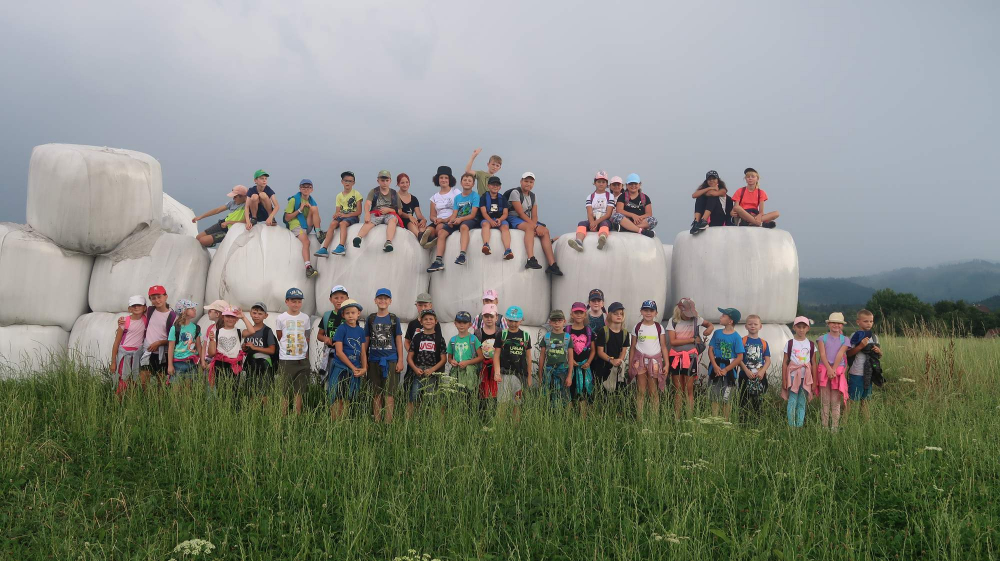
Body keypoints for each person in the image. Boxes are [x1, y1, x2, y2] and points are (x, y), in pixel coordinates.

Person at [666, 298, 714, 420]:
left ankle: (689, 418)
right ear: (680, 310)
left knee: (689, 389)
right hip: (676, 357)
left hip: (691, 357)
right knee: (678, 389)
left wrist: (709, 329)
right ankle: (677, 418)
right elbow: (673, 342)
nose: (689, 316)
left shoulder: (697, 319)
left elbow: (709, 324)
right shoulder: (673, 321)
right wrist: (692, 340)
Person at [508, 172, 563, 275]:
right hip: (514, 218)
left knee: (545, 231)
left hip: (528, 219)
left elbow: (534, 215)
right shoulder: (515, 193)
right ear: (521, 181)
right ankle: (530, 259)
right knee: (529, 228)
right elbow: (520, 213)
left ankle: (552, 265)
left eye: (531, 182)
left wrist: (536, 226)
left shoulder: (533, 196)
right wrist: (534, 226)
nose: (528, 184)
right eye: (526, 181)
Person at [365, 288, 404, 423]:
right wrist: (364, 361)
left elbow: (398, 340)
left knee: (389, 394)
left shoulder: (394, 319)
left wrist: (400, 360)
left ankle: (388, 423)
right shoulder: (370, 319)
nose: (382, 301)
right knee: (376, 393)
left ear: (390, 301)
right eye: (380, 298)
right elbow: (367, 340)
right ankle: (377, 421)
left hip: (390, 360)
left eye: (385, 299)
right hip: (374, 360)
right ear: (375, 301)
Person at [428, 171, 480, 272]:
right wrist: (450, 221)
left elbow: (473, 214)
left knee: (464, 227)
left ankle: (462, 255)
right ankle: (438, 260)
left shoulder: (475, 196)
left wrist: (460, 219)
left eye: (470, 181)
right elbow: (454, 214)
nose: (467, 182)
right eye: (465, 180)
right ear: (461, 183)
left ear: (473, 184)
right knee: (441, 232)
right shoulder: (457, 197)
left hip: (470, 219)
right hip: (458, 219)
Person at [327, 298, 366, 420]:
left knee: (348, 396)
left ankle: (343, 422)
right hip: (342, 368)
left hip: (355, 370)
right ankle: (334, 422)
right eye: (347, 313)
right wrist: (353, 367)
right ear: (343, 315)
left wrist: (364, 368)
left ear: (358, 313)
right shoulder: (342, 329)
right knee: (337, 396)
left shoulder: (360, 331)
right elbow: (339, 352)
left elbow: (363, 352)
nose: (350, 315)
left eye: (353, 312)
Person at [276, 288, 312, 415]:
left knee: (300, 390)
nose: (296, 304)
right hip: (286, 359)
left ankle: (297, 416)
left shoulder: (305, 317)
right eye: (293, 301)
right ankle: (283, 416)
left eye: (299, 302)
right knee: (284, 390)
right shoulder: (281, 318)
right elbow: (280, 336)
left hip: (302, 359)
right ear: (287, 301)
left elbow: (307, 335)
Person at [630, 300, 668, 419]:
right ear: (641, 311)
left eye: (651, 310)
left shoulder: (659, 327)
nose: (648, 313)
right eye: (646, 310)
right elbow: (633, 347)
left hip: (655, 363)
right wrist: (631, 363)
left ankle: (654, 419)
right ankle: (640, 419)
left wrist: (667, 364)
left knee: (653, 391)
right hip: (640, 363)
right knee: (641, 391)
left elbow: (663, 346)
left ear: (656, 313)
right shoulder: (637, 327)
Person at [406, 309, 448, 415]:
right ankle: (409, 423)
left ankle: (436, 423)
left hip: (433, 373)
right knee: (413, 397)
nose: (428, 321)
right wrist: (415, 369)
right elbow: (409, 357)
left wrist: (432, 369)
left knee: (434, 399)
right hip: (418, 371)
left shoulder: (439, 338)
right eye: (425, 319)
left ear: (436, 321)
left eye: (431, 319)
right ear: (421, 322)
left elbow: (444, 359)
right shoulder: (417, 337)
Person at [844, 309, 882, 425]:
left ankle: (866, 424)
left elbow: (879, 357)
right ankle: (844, 423)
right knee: (852, 399)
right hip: (856, 373)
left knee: (865, 399)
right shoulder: (855, 336)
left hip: (869, 373)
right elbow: (849, 353)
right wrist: (861, 346)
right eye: (865, 321)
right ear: (858, 322)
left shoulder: (874, 337)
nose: (869, 324)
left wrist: (878, 351)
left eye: (871, 321)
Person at [493, 305, 532, 418]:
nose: (513, 323)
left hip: (520, 375)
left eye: (516, 321)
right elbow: (496, 354)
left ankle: (516, 430)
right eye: (511, 320)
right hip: (505, 374)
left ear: (521, 320)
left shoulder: (525, 336)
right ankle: (500, 429)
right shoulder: (502, 334)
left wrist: (529, 376)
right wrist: (497, 372)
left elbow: (528, 357)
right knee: (502, 403)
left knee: (517, 404)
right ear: (506, 319)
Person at [707, 307, 746, 421]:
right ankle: (714, 420)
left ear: (730, 321)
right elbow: (710, 350)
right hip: (716, 368)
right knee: (714, 396)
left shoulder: (736, 337)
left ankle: (725, 421)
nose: (720, 317)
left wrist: (726, 369)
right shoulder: (717, 333)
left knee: (726, 397)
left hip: (729, 372)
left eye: (723, 316)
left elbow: (740, 357)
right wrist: (714, 365)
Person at [315, 172, 364, 257]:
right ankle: (324, 248)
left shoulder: (356, 194)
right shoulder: (339, 196)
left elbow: (359, 211)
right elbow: (337, 211)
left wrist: (346, 216)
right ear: (342, 182)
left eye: (350, 181)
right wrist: (336, 215)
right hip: (342, 215)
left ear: (353, 183)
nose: (347, 183)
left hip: (352, 216)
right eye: (346, 181)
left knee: (342, 224)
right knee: (333, 223)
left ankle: (341, 246)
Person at [353, 170, 402, 252]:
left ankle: (388, 241)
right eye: (382, 180)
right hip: (376, 213)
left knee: (393, 220)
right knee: (370, 221)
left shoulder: (394, 193)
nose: (385, 183)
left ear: (390, 181)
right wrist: (367, 213)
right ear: (378, 181)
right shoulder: (374, 191)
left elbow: (400, 211)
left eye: (387, 180)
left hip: (390, 214)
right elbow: (367, 204)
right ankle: (358, 237)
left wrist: (389, 210)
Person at [816, 312, 850, 432]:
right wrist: (829, 369)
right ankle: (824, 426)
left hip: (837, 371)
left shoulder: (845, 340)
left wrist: (833, 369)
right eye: (834, 323)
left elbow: (841, 354)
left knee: (835, 401)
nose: (836, 325)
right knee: (825, 401)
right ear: (829, 324)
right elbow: (822, 354)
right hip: (824, 370)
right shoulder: (822, 338)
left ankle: (834, 427)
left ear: (842, 325)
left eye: (839, 323)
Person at [782, 316, 817, 428]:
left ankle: (799, 425)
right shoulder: (790, 343)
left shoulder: (811, 345)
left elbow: (813, 363)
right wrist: (784, 379)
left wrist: (815, 381)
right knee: (792, 401)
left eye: (804, 327)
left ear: (808, 328)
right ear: (794, 328)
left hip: (806, 377)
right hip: (793, 376)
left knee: (802, 402)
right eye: (799, 327)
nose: (801, 330)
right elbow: (785, 362)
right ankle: (791, 426)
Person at [569, 171, 616, 251]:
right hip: (593, 219)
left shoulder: (610, 196)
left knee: (604, 224)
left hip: (604, 219)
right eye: (599, 182)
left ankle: (602, 238)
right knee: (582, 223)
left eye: (603, 182)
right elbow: (589, 212)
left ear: (606, 184)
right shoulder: (590, 197)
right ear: (595, 183)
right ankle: (579, 241)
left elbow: (608, 214)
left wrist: (596, 223)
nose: (601, 184)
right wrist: (592, 223)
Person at [138, 285, 175, 388]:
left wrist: (159, 343)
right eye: (153, 298)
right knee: (143, 381)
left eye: (159, 297)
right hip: (147, 352)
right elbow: (135, 314)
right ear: (150, 300)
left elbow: (173, 339)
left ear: (166, 296)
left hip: (162, 354)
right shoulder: (150, 311)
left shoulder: (172, 316)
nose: (157, 300)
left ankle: (159, 403)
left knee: (161, 383)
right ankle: (145, 402)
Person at [110, 295, 147, 396]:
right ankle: (117, 403)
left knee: (134, 380)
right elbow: (116, 342)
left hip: (137, 355)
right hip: (125, 355)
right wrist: (113, 361)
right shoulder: (124, 322)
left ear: (144, 308)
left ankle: (130, 402)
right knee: (124, 381)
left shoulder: (145, 320)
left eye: (139, 305)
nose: (136, 307)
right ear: (129, 308)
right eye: (133, 305)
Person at [283, 179, 321, 278]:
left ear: (312, 189)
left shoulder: (312, 201)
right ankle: (308, 268)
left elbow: (317, 218)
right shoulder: (294, 200)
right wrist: (300, 209)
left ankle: (318, 234)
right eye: (303, 187)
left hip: (305, 224)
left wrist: (310, 210)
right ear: (300, 188)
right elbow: (287, 218)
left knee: (314, 208)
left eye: (308, 187)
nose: (306, 189)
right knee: (306, 242)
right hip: (296, 224)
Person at [241, 302, 277, 401]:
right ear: (250, 313)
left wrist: (255, 347)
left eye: (260, 314)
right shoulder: (248, 331)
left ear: (266, 316)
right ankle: (253, 413)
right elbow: (247, 348)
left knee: (264, 391)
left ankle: (265, 413)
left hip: (264, 363)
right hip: (251, 363)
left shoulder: (267, 331)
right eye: (254, 313)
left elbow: (272, 350)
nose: (256, 316)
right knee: (250, 389)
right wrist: (245, 347)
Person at [207, 307, 249, 392]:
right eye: (227, 316)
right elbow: (211, 353)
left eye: (233, 317)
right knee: (221, 391)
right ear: (223, 317)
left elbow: (252, 331)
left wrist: (243, 317)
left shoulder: (238, 331)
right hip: (220, 364)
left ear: (236, 319)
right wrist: (211, 340)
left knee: (234, 391)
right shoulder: (217, 332)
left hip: (235, 364)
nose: (230, 319)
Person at [737, 314, 771, 419]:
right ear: (746, 326)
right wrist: (746, 370)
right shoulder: (742, 341)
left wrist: (762, 372)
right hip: (745, 375)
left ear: (760, 326)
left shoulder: (764, 343)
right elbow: (739, 358)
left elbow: (768, 360)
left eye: (755, 324)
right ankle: (743, 423)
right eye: (750, 324)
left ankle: (757, 422)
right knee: (743, 401)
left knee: (758, 402)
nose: (753, 326)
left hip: (760, 377)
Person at [593, 301, 630, 395]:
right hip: (604, 368)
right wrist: (611, 361)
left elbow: (624, 350)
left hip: (617, 369)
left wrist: (619, 361)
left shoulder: (625, 333)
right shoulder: (604, 331)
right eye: (615, 313)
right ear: (609, 315)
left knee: (619, 394)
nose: (619, 316)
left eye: (621, 314)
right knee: (603, 394)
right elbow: (600, 352)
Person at [567, 302, 596, 417]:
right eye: (576, 312)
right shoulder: (567, 330)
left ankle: (583, 419)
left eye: (581, 312)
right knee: (570, 390)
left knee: (584, 391)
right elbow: (564, 348)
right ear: (572, 314)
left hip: (584, 366)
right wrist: (570, 360)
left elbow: (593, 350)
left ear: (585, 315)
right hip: (570, 367)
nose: (578, 315)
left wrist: (588, 362)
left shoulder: (588, 332)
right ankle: (569, 418)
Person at [448, 311, 483, 401]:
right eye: (459, 322)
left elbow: (480, 357)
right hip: (457, 373)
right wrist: (452, 362)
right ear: (455, 324)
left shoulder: (473, 339)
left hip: (470, 372)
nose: (461, 325)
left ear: (470, 324)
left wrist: (467, 362)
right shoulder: (452, 340)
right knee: (457, 396)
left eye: (464, 323)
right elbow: (449, 358)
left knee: (470, 396)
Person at [166, 299, 202, 387]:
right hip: (178, 363)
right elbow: (171, 348)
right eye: (192, 308)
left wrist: (202, 361)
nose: (195, 310)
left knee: (188, 389)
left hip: (192, 363)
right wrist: (170, 365)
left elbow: (199, 346)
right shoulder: (175, 328)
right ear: (184, 311)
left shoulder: (196, 328)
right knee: (176, 389)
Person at [475, 303, 502, 417]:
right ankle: (482, 419)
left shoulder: (500, 332)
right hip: (482, 367)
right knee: (482, 395)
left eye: (491, 316)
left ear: (496, 317)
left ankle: (495, 419)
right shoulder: (478, 333)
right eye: (486, 316)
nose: (489, 319)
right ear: (482, 317)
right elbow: (475, 350)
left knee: (497, 395)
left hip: (497, 368)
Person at [538, 309, 570, 405]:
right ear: (550, 322)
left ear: (564, 322)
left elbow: (571, 358)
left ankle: (565, 418)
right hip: (548, 372)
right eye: (554, 321)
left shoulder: (567, 337)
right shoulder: (546, 337)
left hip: (563, 371)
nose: (557, 323)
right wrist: (540, 376)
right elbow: (542, 357)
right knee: (548, 395)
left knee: (564, 396)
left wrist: (569, 376)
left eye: (559, 321)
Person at [611, 173, 657, 238]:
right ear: (627, 185)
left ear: (639, 185)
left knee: (653, 220)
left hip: (640, 221)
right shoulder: (622, 196)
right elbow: (619, 210)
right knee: (616, 216)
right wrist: (633, 215)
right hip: (627, 220)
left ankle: (627, 228)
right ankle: (641, 231)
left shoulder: (645, 197)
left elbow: (649, 213)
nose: (633, 186)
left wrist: (639, 218)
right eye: (630, 184)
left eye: (635, 184)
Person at [478, 175, 514, 259]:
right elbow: (483, 212)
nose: (495, 186)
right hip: (487, 218)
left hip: (499, 218)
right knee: (485, 225)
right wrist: (490, 221)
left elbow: (505, 213)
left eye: (497, 185)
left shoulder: (503, 198)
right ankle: (486, 244)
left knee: (505, 227)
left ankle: (508, 249)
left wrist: (500, 219)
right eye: (493, 184)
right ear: (488, 186)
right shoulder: (483, 197)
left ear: (500, 187)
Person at [690, 170, 733, 235]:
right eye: (709, 179)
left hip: (719, 216)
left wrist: (705, 192)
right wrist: (709, 188)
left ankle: (703, 221)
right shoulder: (707, 189)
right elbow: (694, 195)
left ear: (718, 180)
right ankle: (696, 221)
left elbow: (713, 193)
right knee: (700, 197)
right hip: (710, 216)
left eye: (714, 179)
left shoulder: (722, 189)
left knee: (713, 197)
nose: (711, 180)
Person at [317, 285, 349, 369]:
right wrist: (325, 339)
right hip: (330, 353)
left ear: (347, 299)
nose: (339, 301)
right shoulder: (327, 315)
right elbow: (319, 335)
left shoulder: (350, 316)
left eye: (342, 298)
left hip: (346, 352)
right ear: (330, 300)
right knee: (329, 376)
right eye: (336, 298)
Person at [396, 173, 428, 240]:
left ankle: (425, 241)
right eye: (402, 183)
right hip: (401, 220)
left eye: (407, 182)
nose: (405, 185)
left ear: (409, 183)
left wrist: (424, 220)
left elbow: (419, 215)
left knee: (421, 225)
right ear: (398, 184)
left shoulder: (414, 199)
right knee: (411, 223)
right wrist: (409, 216)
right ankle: (420, 237)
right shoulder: (395, 196)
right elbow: (399, 213)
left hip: (413, 220)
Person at [200, 300, 229, 370]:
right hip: (207, 360)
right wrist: (202, 360)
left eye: (210, 311)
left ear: (217, 314)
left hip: (218, 363)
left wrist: (212, 363)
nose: (208, 313)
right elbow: (204, 345)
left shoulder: (226, 330)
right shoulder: (210, 328)